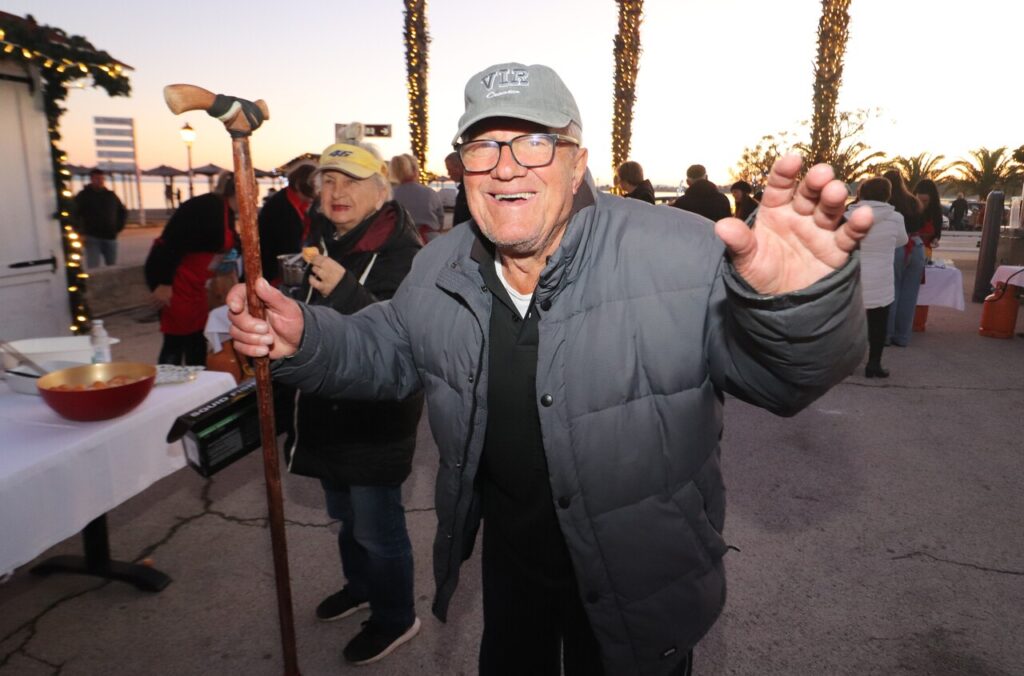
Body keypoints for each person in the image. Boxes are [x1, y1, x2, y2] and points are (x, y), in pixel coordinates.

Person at [226, 62, 872, 676]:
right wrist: (306, 336)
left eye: (535, 142)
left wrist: (797, 304)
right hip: (512, 564)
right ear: (461, 167)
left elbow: (784, 379)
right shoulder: (441, 263)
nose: (506, 167)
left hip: (641, 575)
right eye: (483, 147)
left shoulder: (681, 252)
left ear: (577, 162)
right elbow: (389, 346)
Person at [288, 142, 424, 665]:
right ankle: (361, 587)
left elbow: (404, 342)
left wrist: (345, 290)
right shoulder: (319, 241)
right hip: (325, 408)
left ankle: (396, 617)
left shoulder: (405, 254)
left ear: (380, 191)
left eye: (351, 180)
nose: (337, 191)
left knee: (377, 527)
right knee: (344, 516)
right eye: (328, 180)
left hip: (374, 417)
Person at [145, 172, 238, 366]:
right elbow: (171, 243)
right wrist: (164, 283)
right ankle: (168, 379)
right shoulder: (205, 206)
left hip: (197, 284)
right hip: (176, 279)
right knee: (176, 339)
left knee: (196, 336)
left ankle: (198, 377)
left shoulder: (227, 211)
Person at [847, 177, 908, 378]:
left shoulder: (848, 216)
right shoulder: (896, 218)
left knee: (850, 324)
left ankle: (847, 364)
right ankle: (874, 364)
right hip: (881, 280)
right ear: (887, 195)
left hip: (853, 279)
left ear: (861, 193)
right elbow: (902, 240)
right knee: (878, 324)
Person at [883, 169, 924, 347]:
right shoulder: (913, 202)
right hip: (916, 246)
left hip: (895, 246)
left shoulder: (886, 204)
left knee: (891, 292)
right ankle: (902, 336)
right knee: (910, 294)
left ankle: (886, 335)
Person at [257, 164, 315, 285]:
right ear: (299, 185)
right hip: (273, 272)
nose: (314, 196)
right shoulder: (280, 207)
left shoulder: (295, 202)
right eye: (311, 190)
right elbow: (287, 246)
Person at [74, 168, 127, 268]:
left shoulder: (111, 195)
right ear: (92, 179)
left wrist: (118, 227)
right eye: (97, 178)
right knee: (93, 266)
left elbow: (122, 211)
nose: (100, 181)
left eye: (102, 179)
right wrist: (80, 231)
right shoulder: (83, 195)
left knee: (112, 266)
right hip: (92, 236)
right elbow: (75, 213)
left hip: (110, 235)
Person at [390, 153, 445, 242]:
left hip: (401, 242)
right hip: (431, 241)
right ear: (415, 170)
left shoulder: (390, 194)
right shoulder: (430, 193)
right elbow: (440, 219)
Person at [914, 179, 943, 260]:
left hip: (926, 251)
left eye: (925, 201)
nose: (921, 204)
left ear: (932, 200)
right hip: (911, 251)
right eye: (918, 200)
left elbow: (937, 232)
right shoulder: (910, 210)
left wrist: (935, 240)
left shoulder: (936, 212)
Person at [446, 151, 472, 226]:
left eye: (449, 169)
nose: (448, 173)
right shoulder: (464, 189)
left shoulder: (467, 191)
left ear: (460, 167)